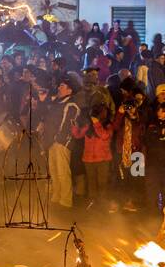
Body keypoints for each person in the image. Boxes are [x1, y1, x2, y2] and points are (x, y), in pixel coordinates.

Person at [43, 77, 82, 214]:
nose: (59, 88)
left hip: (61, 143)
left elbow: (67, 126)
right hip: (52, 142)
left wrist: (57, 139)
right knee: (54, 171)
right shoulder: (57, 103)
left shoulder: (71, 105)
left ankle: (65, 201)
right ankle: (56, 198)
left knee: (62, 172)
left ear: (69, 90)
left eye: (62, 85)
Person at [144, 104, 165, 211]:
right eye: (159, 111)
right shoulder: (152, 125)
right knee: (152, 186)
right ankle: (151, 210)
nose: (160, 113)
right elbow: (148, 141)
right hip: (153, 161)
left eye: (163, 111)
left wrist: (163, 140)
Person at [82, 103, 114, 210]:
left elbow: (104, 135)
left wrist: (96, 124)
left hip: (103, 158)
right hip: (88, 158)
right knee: (91, 182)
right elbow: (78, 135)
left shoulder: (108, 125)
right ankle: (93, 203)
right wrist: (75, 126)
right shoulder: (89, 125)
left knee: (102, 182)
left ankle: (102, 203)